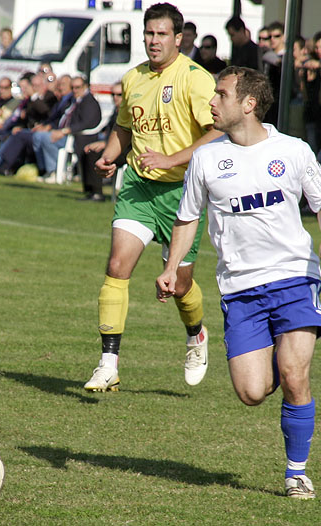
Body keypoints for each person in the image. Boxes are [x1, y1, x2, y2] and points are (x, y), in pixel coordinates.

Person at [156, 66, 321, 499]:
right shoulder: (206, 158)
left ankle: (296, 472)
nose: (211, 102)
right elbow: (188, 217)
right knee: (251, 392)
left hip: (294, 277)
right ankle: (273, 362)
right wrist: (172, 267)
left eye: (220, 95)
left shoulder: (293, 151)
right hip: (240, 289)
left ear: (248, 104)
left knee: (295, 372)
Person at [84, 2, 220, 392]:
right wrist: (111, 156)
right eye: (148, 34)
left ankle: (196, 335)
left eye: (162, 34)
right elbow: (125, 128)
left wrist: (172, 159)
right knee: (117, 265)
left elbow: (217, 132)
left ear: (179, 38)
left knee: (179, 285)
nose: (153, 41)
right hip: (139, 188)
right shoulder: (133, 78)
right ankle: (108, 362)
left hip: (183, 193)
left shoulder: (195, 79)